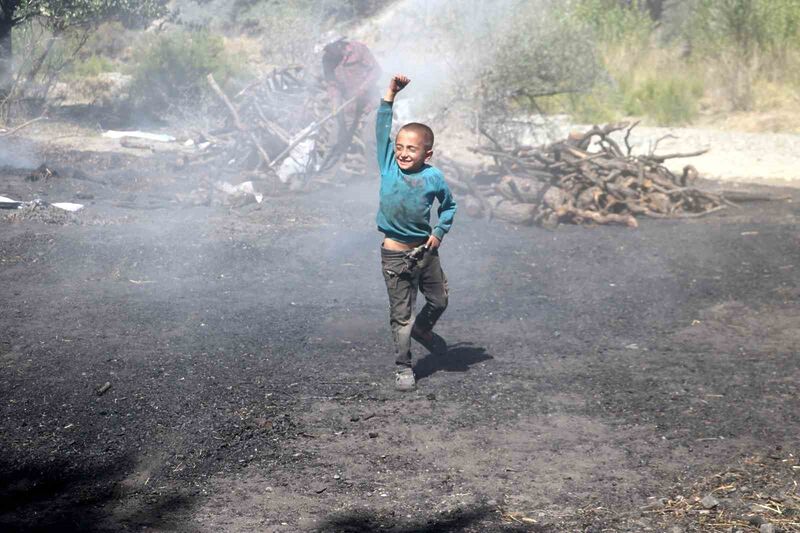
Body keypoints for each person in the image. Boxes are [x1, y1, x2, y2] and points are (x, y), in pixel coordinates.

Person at [376, 74, 457, 391]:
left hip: (426, 252)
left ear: (428, 154)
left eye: (411, 148)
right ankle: (403, 367)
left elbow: (449, 206)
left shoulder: (434, 177)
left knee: (439, 300)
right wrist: (390, 95)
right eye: (399, 147)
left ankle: (425, 329)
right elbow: (382, 129)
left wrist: (439, 231)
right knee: (401, 315)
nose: (403, 153)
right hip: (395, 256)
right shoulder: (388, 166)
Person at [320, 35, 382, 171]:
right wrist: (336, 103)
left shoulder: (358, 49)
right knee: (336, 140)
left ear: (338, 45)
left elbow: (377, 71)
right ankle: (325, 176)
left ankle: (374, 177)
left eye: (328, 48)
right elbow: (332, 84)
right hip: (348, 104)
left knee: (370, 140)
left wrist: (363, 88)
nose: (327, 52)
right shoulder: (327, 59)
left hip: (370, 101)